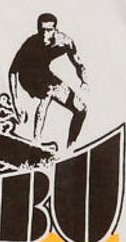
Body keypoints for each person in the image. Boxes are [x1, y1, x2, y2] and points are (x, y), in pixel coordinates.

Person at [8, 13, 88, 148]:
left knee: (81, 109)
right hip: (27, 76)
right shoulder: (31, 44)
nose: (45, 35)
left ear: (55, 30)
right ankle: (36, 141)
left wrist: (84, 81)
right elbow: (13, 71)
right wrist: (16, 103)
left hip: (45, 73)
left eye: (49, 30)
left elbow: (78, 63)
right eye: (42, 30)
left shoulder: (65, 42)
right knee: (49, 92)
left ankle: (71, 147)